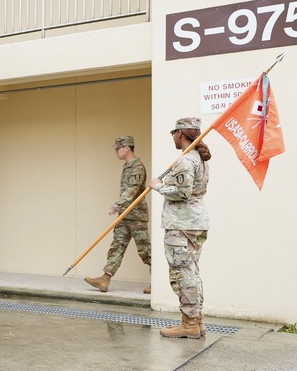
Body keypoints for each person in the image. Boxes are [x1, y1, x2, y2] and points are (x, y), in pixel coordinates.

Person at [149, 117, 211, 339]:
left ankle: (189, 323)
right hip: (194, 223)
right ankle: (197, 320)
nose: (173, 138)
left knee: (182, 273)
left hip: (182, 224)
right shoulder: (199, 159)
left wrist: (159, 186)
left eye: (173, 133)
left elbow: (182, 193)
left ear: (180, 134)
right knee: (191, 272)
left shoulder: (185, 161)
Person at [85, 135, 151, 294]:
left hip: (136, 217)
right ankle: (105, 279)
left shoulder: (137, 167)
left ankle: (158, 281)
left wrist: (117, 205)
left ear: (127, 148)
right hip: (124, 215)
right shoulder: (127, 166)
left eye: (118, 148)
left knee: (145, 250)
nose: (116, 151)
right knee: (117, 247)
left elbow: (132, 191)